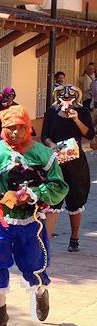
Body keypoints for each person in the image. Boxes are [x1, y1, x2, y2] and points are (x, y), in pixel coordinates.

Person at [0, 105, 68, 326]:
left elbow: (59, 186)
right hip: (0, 219)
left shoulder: (44, 154)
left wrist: (34, 195)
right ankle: (0, 310)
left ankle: (40, 292)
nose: (15, 132)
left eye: (20, 127)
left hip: (31, 221)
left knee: (34, 263)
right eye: (10, 127)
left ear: (29, 128)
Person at [41, 84, 97, 252]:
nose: (66, 101)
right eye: (63, 98)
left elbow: (89, 135)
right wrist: (51, 145)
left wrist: (76, 119)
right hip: (55, 161)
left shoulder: (82, 112)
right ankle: (46, 242)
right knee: (53, 201)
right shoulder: (51, 112)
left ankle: (74, 238)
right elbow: (44, 135)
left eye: (69, 98)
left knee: (75, 200)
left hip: (76, 162)